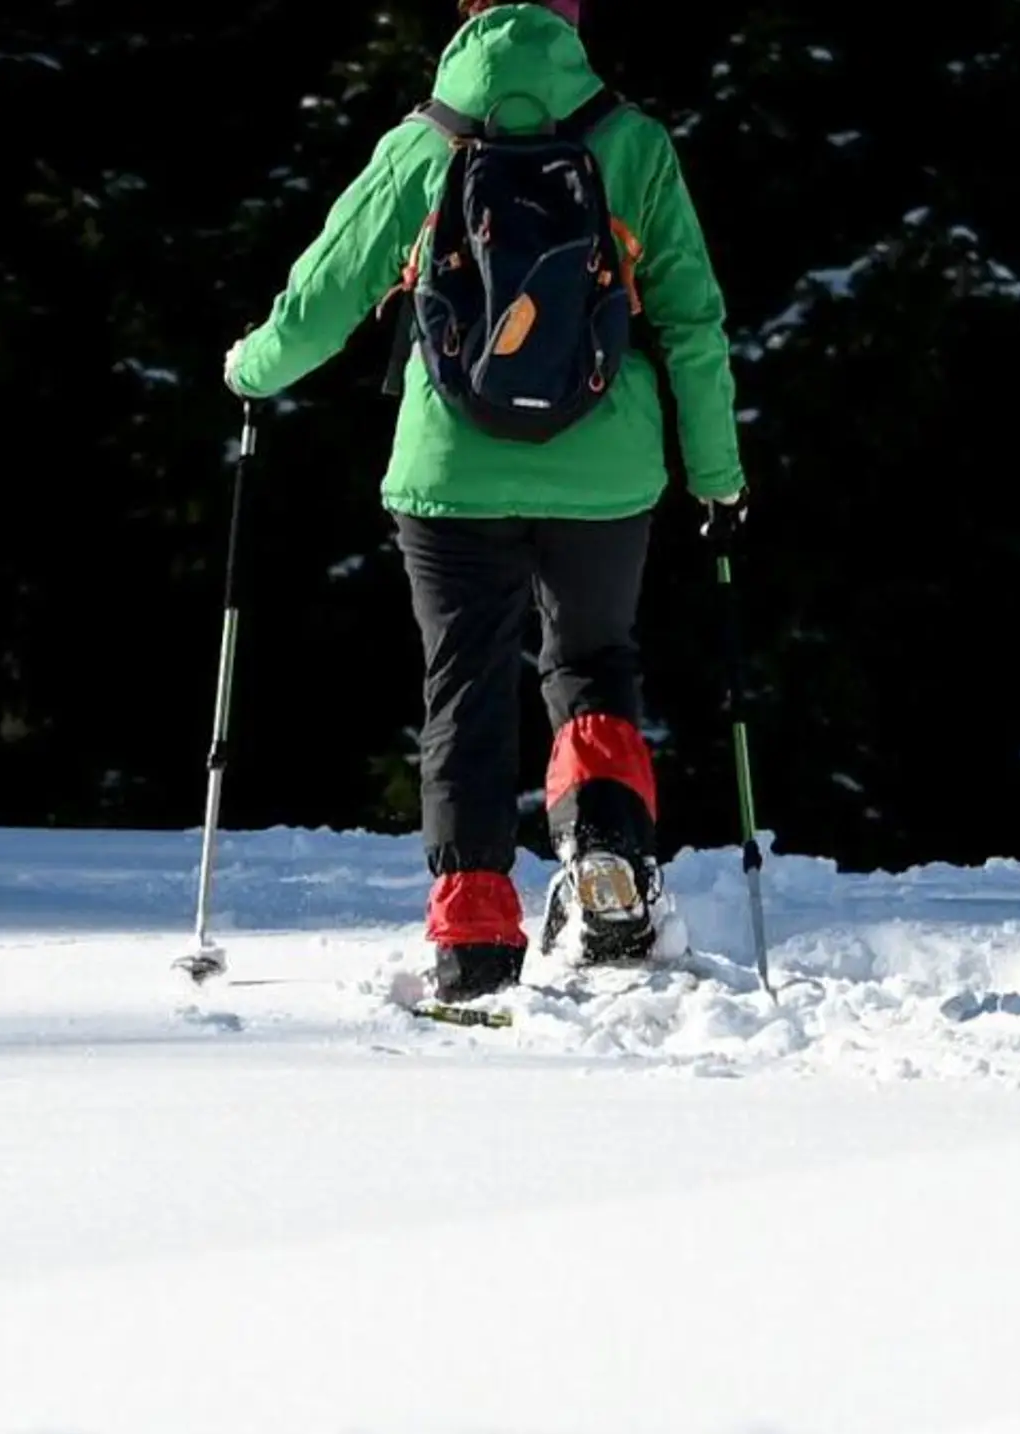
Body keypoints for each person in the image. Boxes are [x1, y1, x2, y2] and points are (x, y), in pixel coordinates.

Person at [223, 0, 747, 1002]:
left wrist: (250, 371)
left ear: (465, 14)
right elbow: (691, 319)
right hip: (607, 471)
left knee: (462, 682)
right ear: (577, 17)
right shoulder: (630, 144)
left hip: (448, 471)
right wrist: (715, 474)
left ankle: (472, 933)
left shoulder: (423, 144)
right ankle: (605, 855)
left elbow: (322, 297)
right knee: (592, 661)